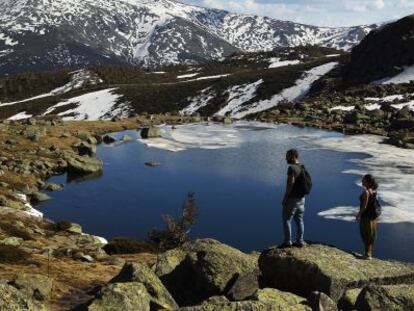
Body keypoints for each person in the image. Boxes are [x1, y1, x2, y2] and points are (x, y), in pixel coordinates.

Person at [280, 149, 308, 248]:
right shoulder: (302, 167)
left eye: (287, 156)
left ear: (293, 156)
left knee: (286, 219)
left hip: (292, 199)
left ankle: (288, 242)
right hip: (302, 199)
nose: (285, 158)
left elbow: (290, 183)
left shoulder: (291, 168)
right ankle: (300, 241)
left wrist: (285, 197)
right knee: (299, 220)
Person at [356, 174, 379, 260]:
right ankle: (369, 254)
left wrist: (358, 215)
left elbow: (364, 206)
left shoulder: (366, 192)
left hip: (366, 217)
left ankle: (367, 255)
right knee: (371, 236)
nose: (362, 181)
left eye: (364, 180)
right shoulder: (374, 191)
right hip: (373, 217)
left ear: (368, 182)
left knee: (366, 235)